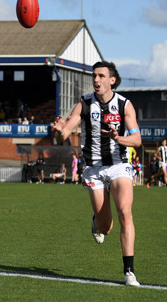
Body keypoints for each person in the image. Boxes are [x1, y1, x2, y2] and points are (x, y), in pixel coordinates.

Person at [53, 61, 141, 286]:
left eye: (101, 76)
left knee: (125, 211)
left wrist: (118, 138)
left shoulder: (124, 105)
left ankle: (129, 271)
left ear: (112, 80)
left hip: (119, 165)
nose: (96, 80)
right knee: (106, 227)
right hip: (94, 169)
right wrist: (58, 131)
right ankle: (97, 221)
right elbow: (65, 133)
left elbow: (137, 140)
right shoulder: (83, 104)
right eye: (94, 76)